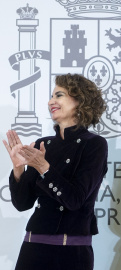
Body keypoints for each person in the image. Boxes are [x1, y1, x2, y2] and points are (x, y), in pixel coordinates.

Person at [3, 73, 108, 270]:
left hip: (70, 253)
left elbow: (75, 200)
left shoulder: (94, 145)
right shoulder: (44, 144)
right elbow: (22, 203)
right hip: (32, 247)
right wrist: (19, 169)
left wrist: (43, 167)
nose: (51, 101)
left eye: (59, 95)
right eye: (51, 96)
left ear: (80, 100)